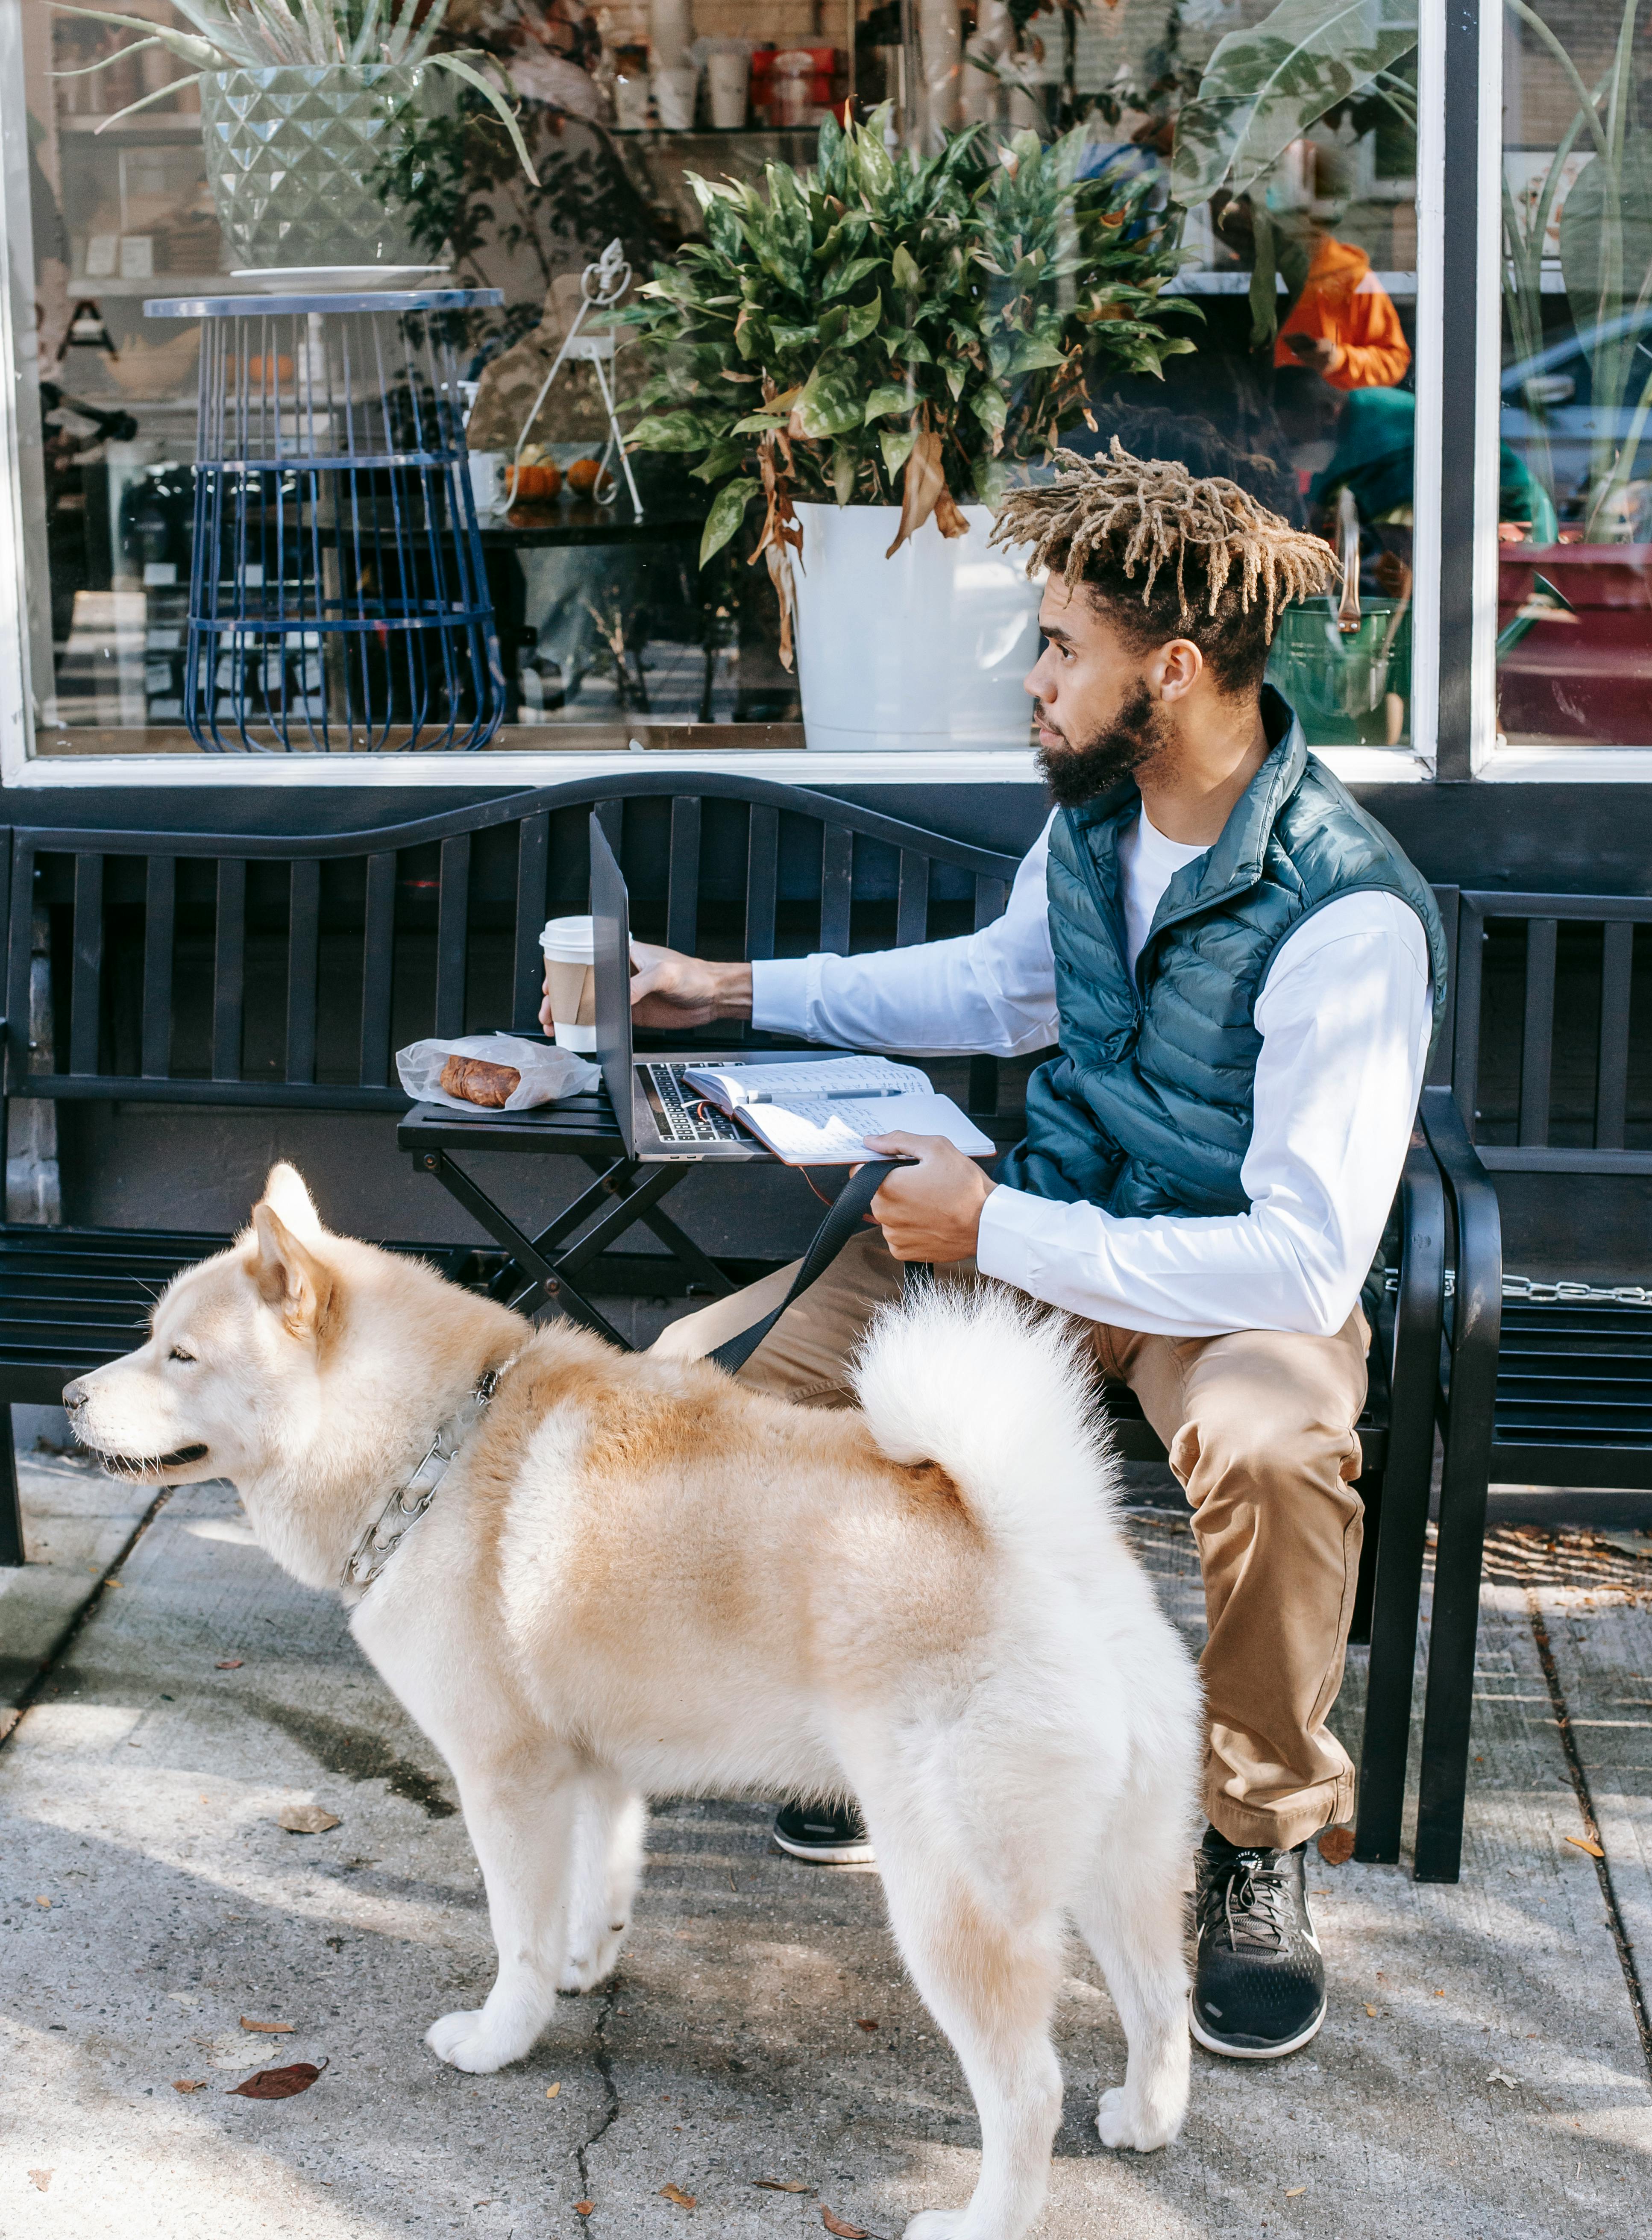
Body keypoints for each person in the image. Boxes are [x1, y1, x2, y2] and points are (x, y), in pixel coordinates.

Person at [623, 443, 1447, 2063]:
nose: (1034, 678)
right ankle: (877, 1726)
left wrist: (999, 1226)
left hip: (1206, 1279)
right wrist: (726, 988)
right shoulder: (1097, 821)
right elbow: (992, 990)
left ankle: (1257, 1835)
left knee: (1279, 1453)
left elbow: (1295, 1268)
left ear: (1177, 669)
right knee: (704, 1388)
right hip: (1046, 1219)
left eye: (1061, 646)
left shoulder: (1349, 913)